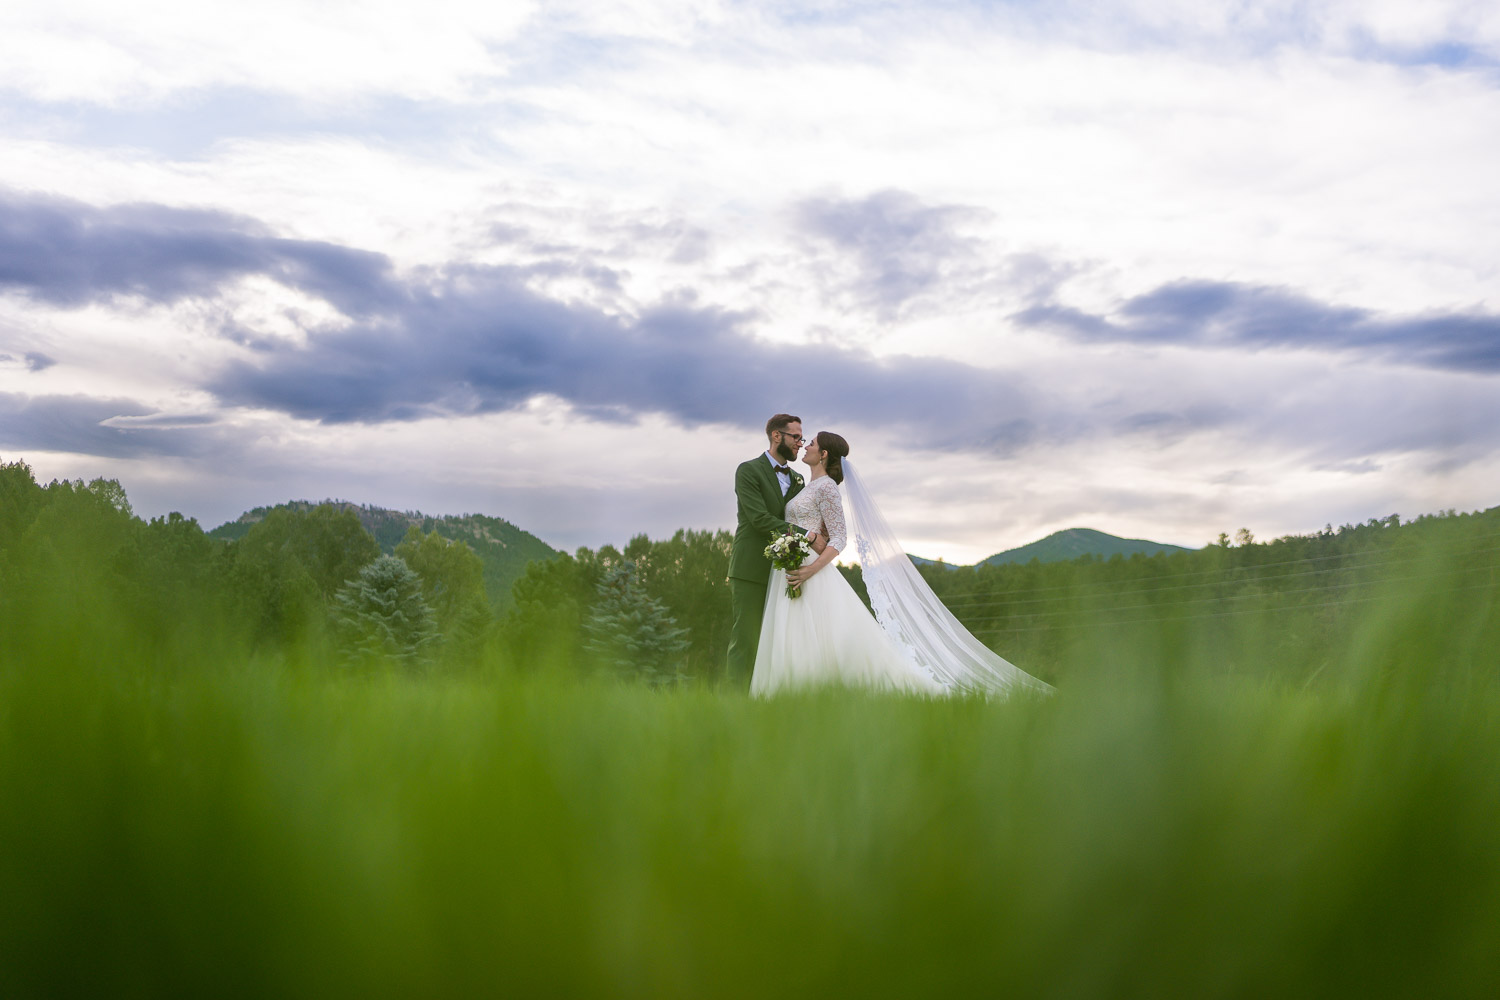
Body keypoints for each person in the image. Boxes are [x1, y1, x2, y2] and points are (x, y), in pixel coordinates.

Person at [749, 430, 1053, 698]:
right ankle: (791, 692)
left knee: (818, 630)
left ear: (823, 454)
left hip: (811, 570)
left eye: (811, 443)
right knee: (795, 629)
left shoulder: (827, 487)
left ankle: (817, 689)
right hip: (790, 565)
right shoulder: (806, 486)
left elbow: (839, 539)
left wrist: (812, 570)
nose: (805, 446)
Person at [725, 414, 826, 689]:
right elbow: (758, 519)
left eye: (802, 438)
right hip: (750, 570)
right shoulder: (748, 471)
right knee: (746, 639)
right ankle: (734, 703)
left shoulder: (797, 479)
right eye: (796, 437)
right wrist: (808, 536)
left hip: (784, 570)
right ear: (776, 436)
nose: (800, 444)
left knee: (778, 640)